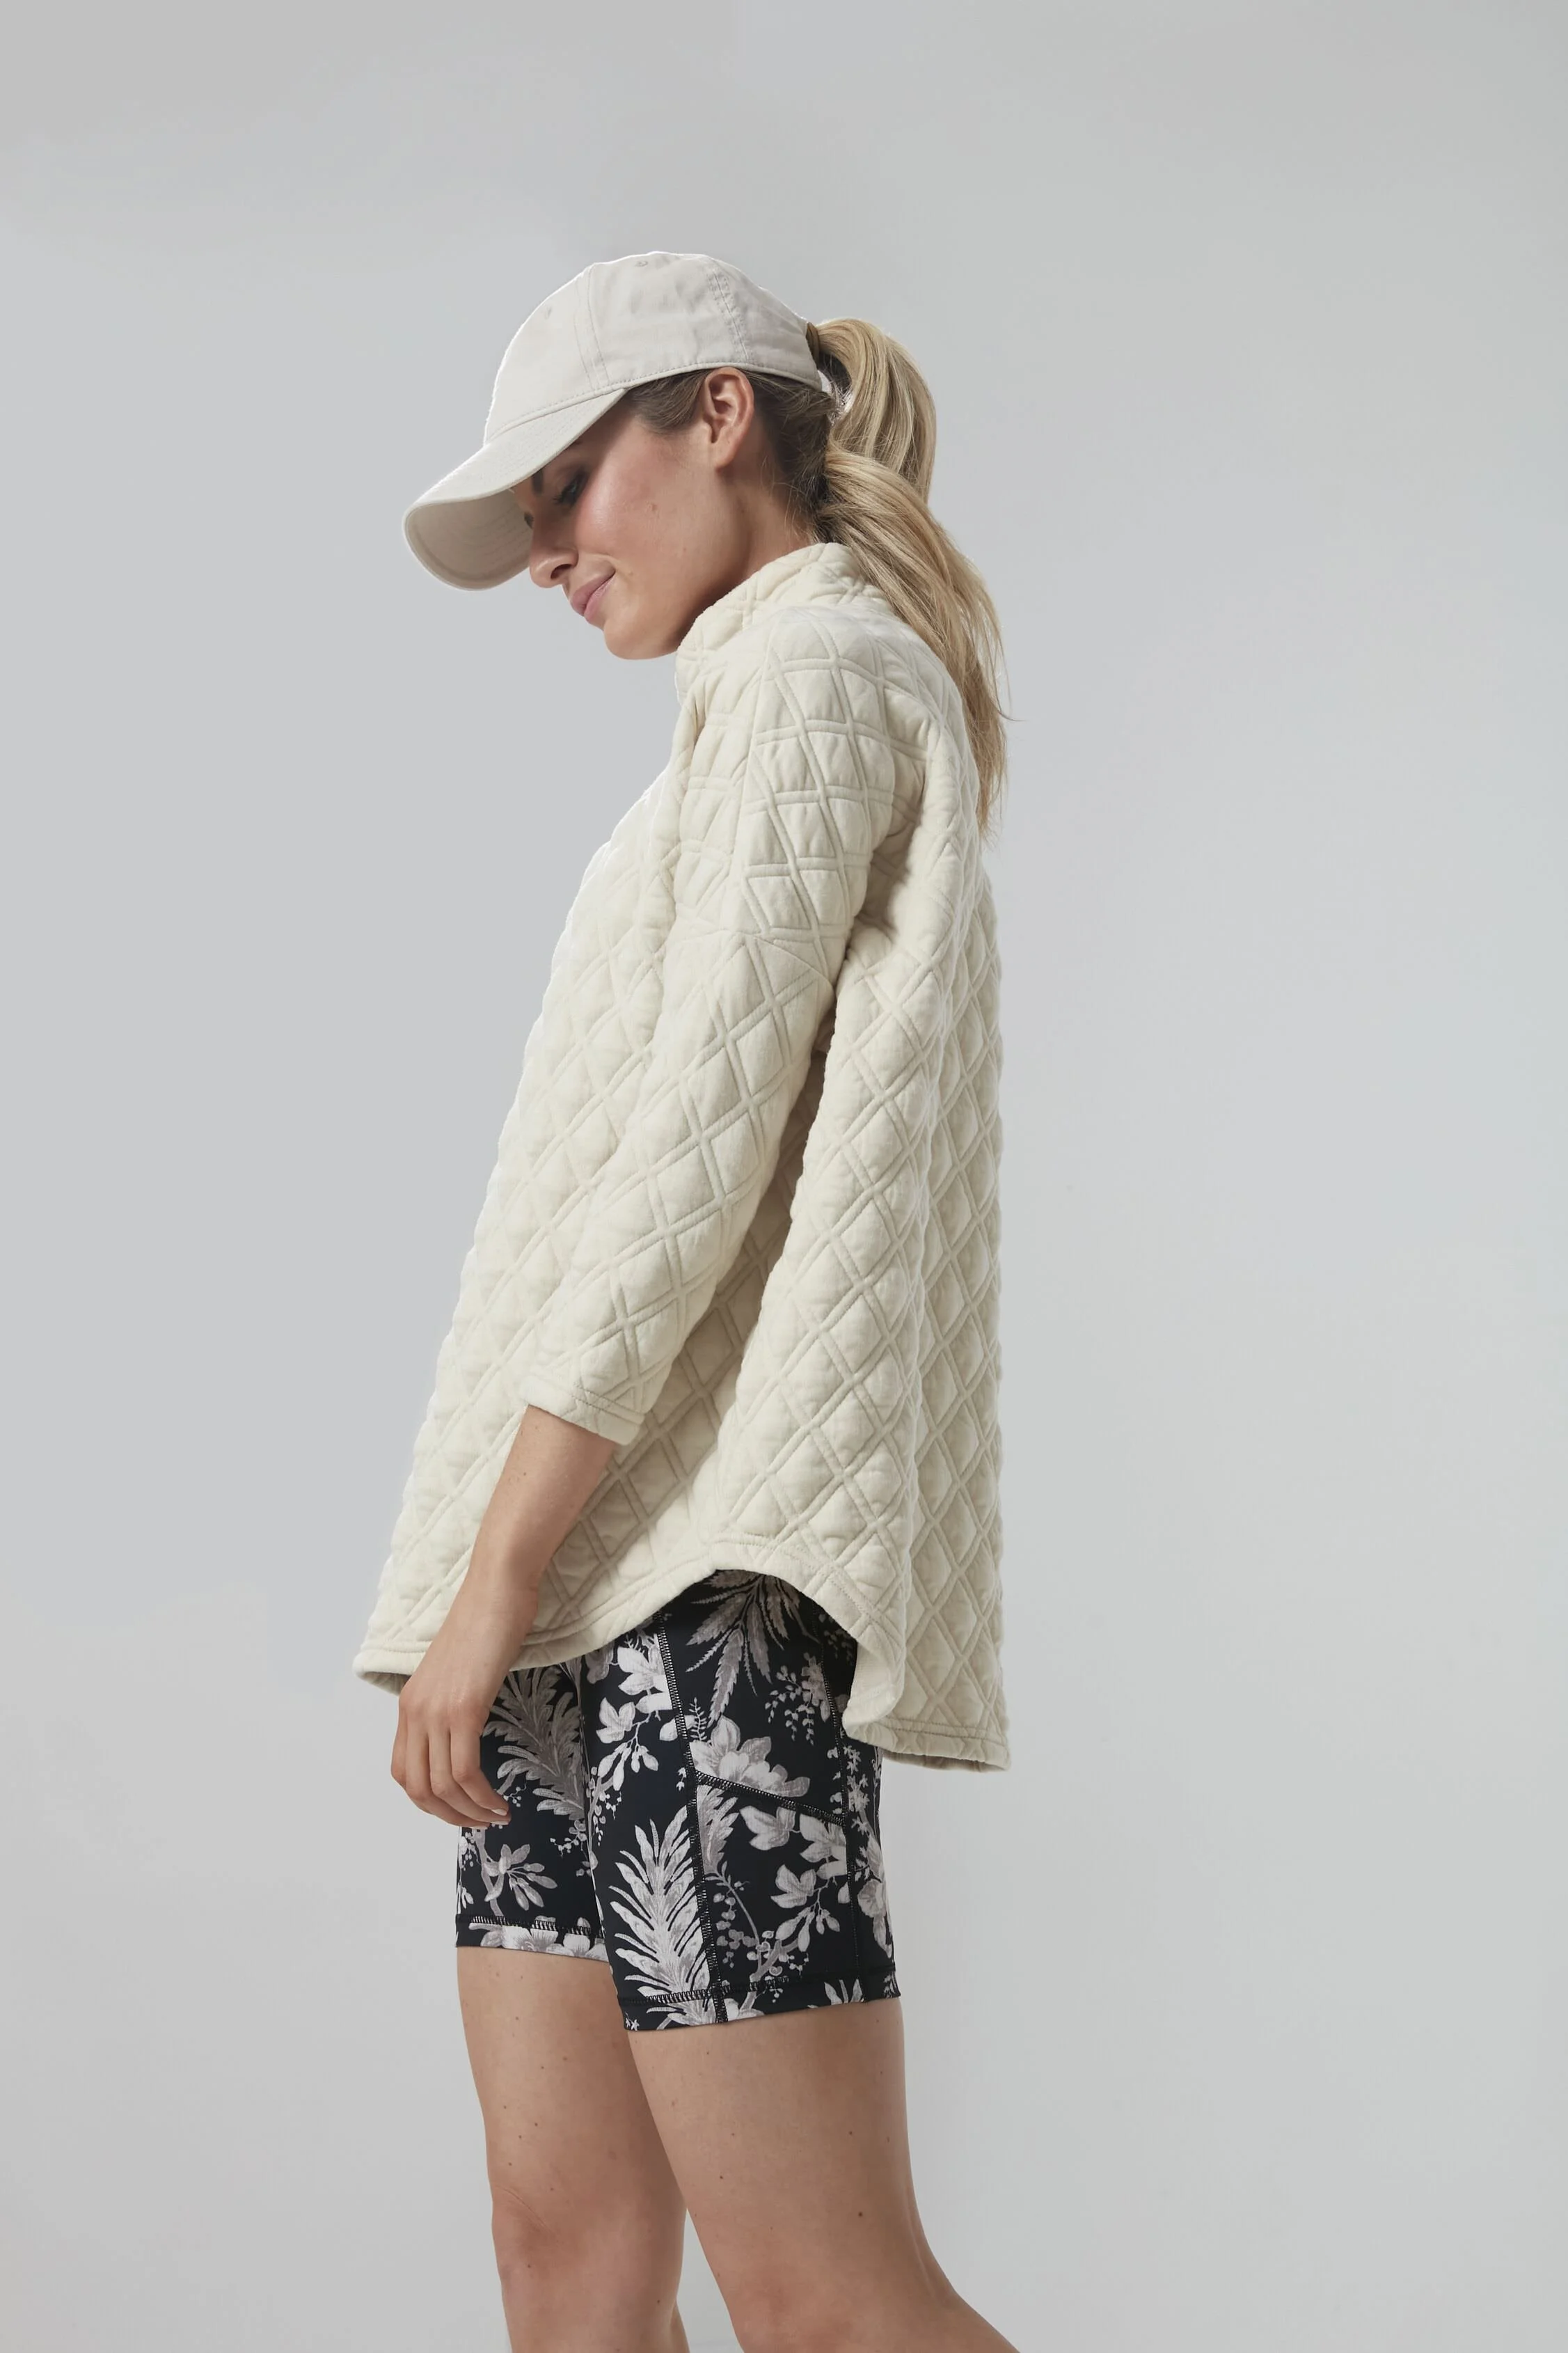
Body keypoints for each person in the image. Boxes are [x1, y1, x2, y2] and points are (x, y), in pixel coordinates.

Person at [352, 249, 1017, 2353]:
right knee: (565, 2265)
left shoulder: (821, 669)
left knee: (821, 2299)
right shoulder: (725, 724)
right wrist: (509, 1591)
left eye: (569, 482)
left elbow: (685, 1181)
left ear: (718, 414)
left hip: (701, 1599)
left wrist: (489, 1580)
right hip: (586, 1589)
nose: (553, 548)